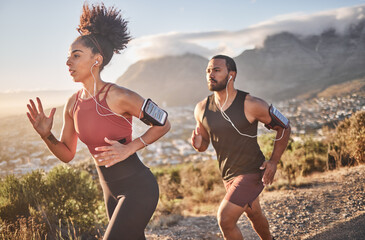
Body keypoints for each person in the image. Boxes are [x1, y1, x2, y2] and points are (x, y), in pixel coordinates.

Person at [26, 3, 170, 239]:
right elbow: (67, 154)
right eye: (68, 56)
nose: (68, 62)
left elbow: (164, 123)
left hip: (139, 188)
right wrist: (46, 135)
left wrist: (130, 148)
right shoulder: (72, 104)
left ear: (97, 60)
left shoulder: (119, 96)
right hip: (110, 191)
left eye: (76, 55)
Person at [191, 55, 290, 240]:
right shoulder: (201, 108)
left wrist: (274, 162)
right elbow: (204, 143)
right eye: (208, 71)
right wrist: (199, 145)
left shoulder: (251, 104)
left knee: (225, 220)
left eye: (216, 70)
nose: (210, 74)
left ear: (231, 75)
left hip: (252, 170)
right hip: (228, 174)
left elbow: (283, 127)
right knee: (254, 214)